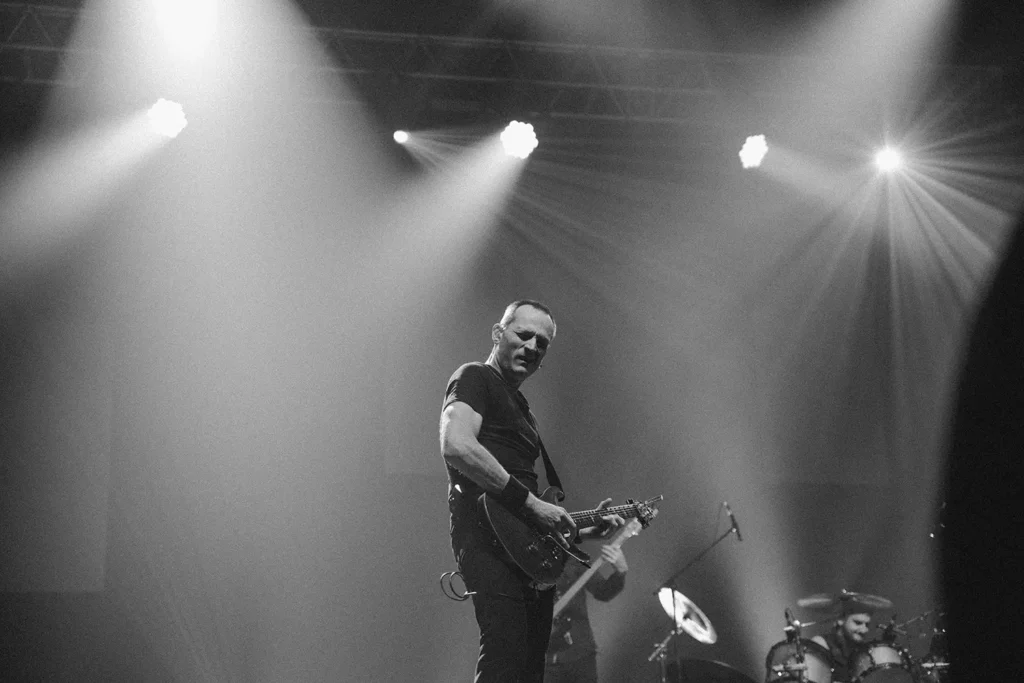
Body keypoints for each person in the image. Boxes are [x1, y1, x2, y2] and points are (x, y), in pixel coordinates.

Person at [440, 299, 623, 682]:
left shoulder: (525, 410)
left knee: (527, 670)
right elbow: (456, 444)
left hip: (523, 550)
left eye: (542, 343)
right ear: (497, 333)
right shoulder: (474, 377)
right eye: (523, 335)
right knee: (504, 661)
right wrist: (531, 504)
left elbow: (530, 511)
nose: (532, 347)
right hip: (486, 541)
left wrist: (584, 530)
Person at [544, 544, 628, 683]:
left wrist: (621, 571)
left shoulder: (574, 558)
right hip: (543, 660)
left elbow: (603, 592)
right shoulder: (519, 560)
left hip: (580, 655)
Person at [810, 603, 875, 683]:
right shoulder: (821, 644)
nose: (864, 630)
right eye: (858, 623)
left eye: (867, 625)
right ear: (840, 620)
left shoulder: (863, 651)